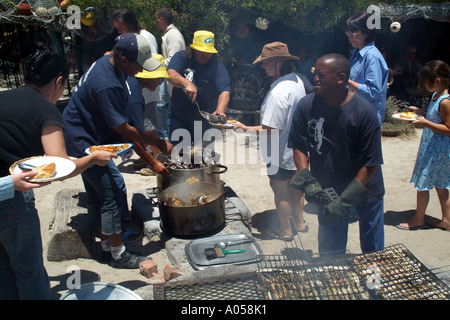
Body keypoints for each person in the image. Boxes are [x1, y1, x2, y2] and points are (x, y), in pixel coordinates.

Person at [0, 44, 116, 299]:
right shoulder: (46, 109)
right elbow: (61, 167)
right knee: (29, 272)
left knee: (4, 272)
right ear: (60, 81)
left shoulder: (5, 97)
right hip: (10, 198)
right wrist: (93, 158)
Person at [62, 33, 173, 269]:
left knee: (97, 192)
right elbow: (125, 131)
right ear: (123, 59)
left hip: (84, 134)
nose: (141, 70)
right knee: (111, 192)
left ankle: (104, 244)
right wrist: (157, 149)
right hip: (83, 140)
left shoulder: (109, 62)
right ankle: (117, 254)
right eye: (138, 65)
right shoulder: (108, 85)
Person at [289, 53, 385, 255]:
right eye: (315, 73)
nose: (315, 78)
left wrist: (346, 201)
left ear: (340, 78)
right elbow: (299, 145)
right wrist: (306, 177)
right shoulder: (307, 105)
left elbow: (371, 162)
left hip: (364, 188)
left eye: (322, 75)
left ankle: (374, 282)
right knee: (330, 251)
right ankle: (331, 277)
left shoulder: (363, 113)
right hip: (328, 188)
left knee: (373, 251)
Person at [234, 42, 307, 240]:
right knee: (296, 187)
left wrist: (245, 127)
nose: (262, 66)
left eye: (266, 63)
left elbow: (272, 129)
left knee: (280, 190)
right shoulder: (297, 82)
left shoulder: (278, 92)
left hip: (279, 151)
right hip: (296, 151)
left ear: (279, 62)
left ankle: (284, 230)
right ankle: (299, 223)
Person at [396, 60, 450, 231]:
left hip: (438, 151)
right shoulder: (436, 97)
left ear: (438, 81)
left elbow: (448, 128)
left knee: (423, 183)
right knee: (440, 185)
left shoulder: (445, 101)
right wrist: (421, 113)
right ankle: (447, 220)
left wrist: (425, 123)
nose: (424, 84)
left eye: (426, 81)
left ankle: (418, 219)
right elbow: (437, 119)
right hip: (433, 147)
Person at [113, 9, 162, 166]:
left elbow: (152, 64)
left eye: (121, 28)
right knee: (141, 127)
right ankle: (148, 155)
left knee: (148, 126)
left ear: (130, 24)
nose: (119, 31)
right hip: (137, 88)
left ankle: (156, 156)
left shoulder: (146, 38)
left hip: (146, 90)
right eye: (117, 29)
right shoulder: (126, 40)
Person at [167, 30, 230, 146]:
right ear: (193, 49)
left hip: (204, 120)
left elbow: (224, 91)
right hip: (179, 116)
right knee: (178, 155)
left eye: (208, 52)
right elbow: (170, 74)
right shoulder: (181, 57)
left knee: (202, 155)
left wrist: (220, 110)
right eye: (201, 51)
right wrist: (186, 83)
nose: (204, 54)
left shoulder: (217, 66)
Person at [125, 54, 171, 176]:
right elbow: (130, 135)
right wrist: (152, 161)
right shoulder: (134, 97)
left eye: (162, 79)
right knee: (147, 130)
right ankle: (155, 159)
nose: (160, 83)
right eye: (157, 78)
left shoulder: (136, 83)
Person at [346, 12, 389, 126]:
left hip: (366, 118)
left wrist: (345, 81)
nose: (350, 37)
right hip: (355, 114)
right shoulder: (356, 53)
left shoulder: (371, 56)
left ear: (367, 32)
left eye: (354, 32)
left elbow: (372, 92)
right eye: (348, 33)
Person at [155, 7, 186, 140]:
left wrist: (156, 64)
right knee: (162, 105)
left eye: (156, 18)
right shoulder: (169, 34)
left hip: (174, 77)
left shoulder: (172, 35)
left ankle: (166, 137)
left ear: (161, 19)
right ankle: (166, 135)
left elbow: (174, 59)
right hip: (169, 77)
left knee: (161, 105)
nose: (155, 22)